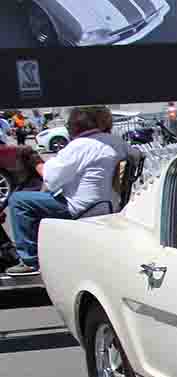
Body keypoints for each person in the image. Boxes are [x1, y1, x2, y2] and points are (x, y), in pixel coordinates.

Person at [5, 106, 129, 276]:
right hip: (109, 205)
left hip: (82, 208)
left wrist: (34, 160)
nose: (68, 127)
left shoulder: (80, 145)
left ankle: (30, 260)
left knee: (19, 200)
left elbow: (50, 178)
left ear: (77, 125)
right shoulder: (116, 142)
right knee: (37, 198)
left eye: (69, 124)